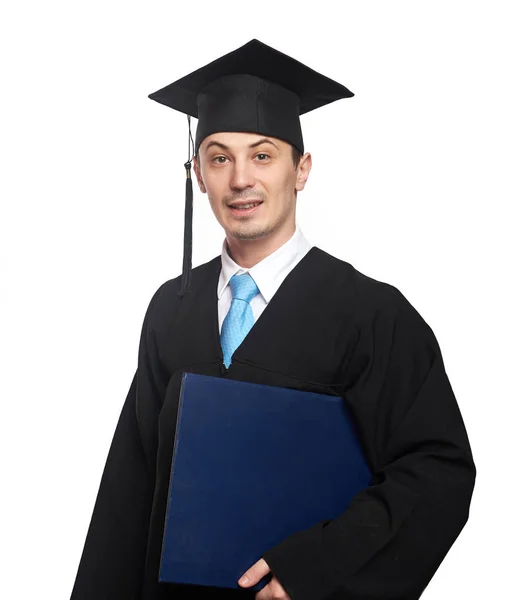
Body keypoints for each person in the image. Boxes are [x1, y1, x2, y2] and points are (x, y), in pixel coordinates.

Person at [70, 39, 476, 600]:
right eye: (219, 157)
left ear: (301, 169)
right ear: (197, 174)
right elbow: (130, 487)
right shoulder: (172, 307)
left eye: (262, 155)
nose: (240, 179)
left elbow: (437, 475)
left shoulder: (370, 314)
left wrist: (313, 568)